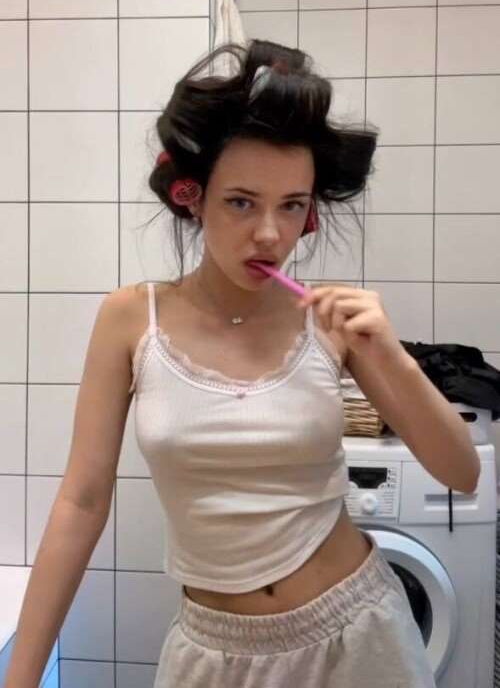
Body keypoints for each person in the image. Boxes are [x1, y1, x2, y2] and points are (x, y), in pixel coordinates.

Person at [5, 39, 477, 688]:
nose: (270, 234)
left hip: (361, 638)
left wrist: (390, 356)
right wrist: (20, 677)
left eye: (292, 205)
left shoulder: (329, 322)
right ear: (193, 197)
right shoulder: (131, 320)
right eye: (241, 202)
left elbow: (462, 472)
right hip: (214, 653)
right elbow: (82, 503)